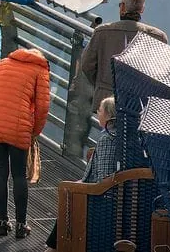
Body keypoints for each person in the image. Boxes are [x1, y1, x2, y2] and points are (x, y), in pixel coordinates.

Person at [0, 48, 50, 239]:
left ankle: (2, 223)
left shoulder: (2, 64)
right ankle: (22, 225)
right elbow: (43, 106)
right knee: (19, 175)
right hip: (18, 125)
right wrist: (34, 132)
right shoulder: (40, 70)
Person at [45, 97, 118, 252]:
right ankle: (53, 247)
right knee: (70, 192)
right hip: (106, 192)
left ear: (107, 115)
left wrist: (83, 186)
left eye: (100, 109)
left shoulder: (107, 138)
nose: (97, 112)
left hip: (101, 196)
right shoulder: (116, 136)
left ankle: (55, 247)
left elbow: (104, 177)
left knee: (68, 195)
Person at [80, 0, 168, 114]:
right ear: (142, 9)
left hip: (106, 99)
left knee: (109, 130)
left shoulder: (102, 32)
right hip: (141, 103)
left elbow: (87, 65)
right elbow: (162, 73)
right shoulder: (158, 37)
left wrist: (101, 84)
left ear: (122, 7)